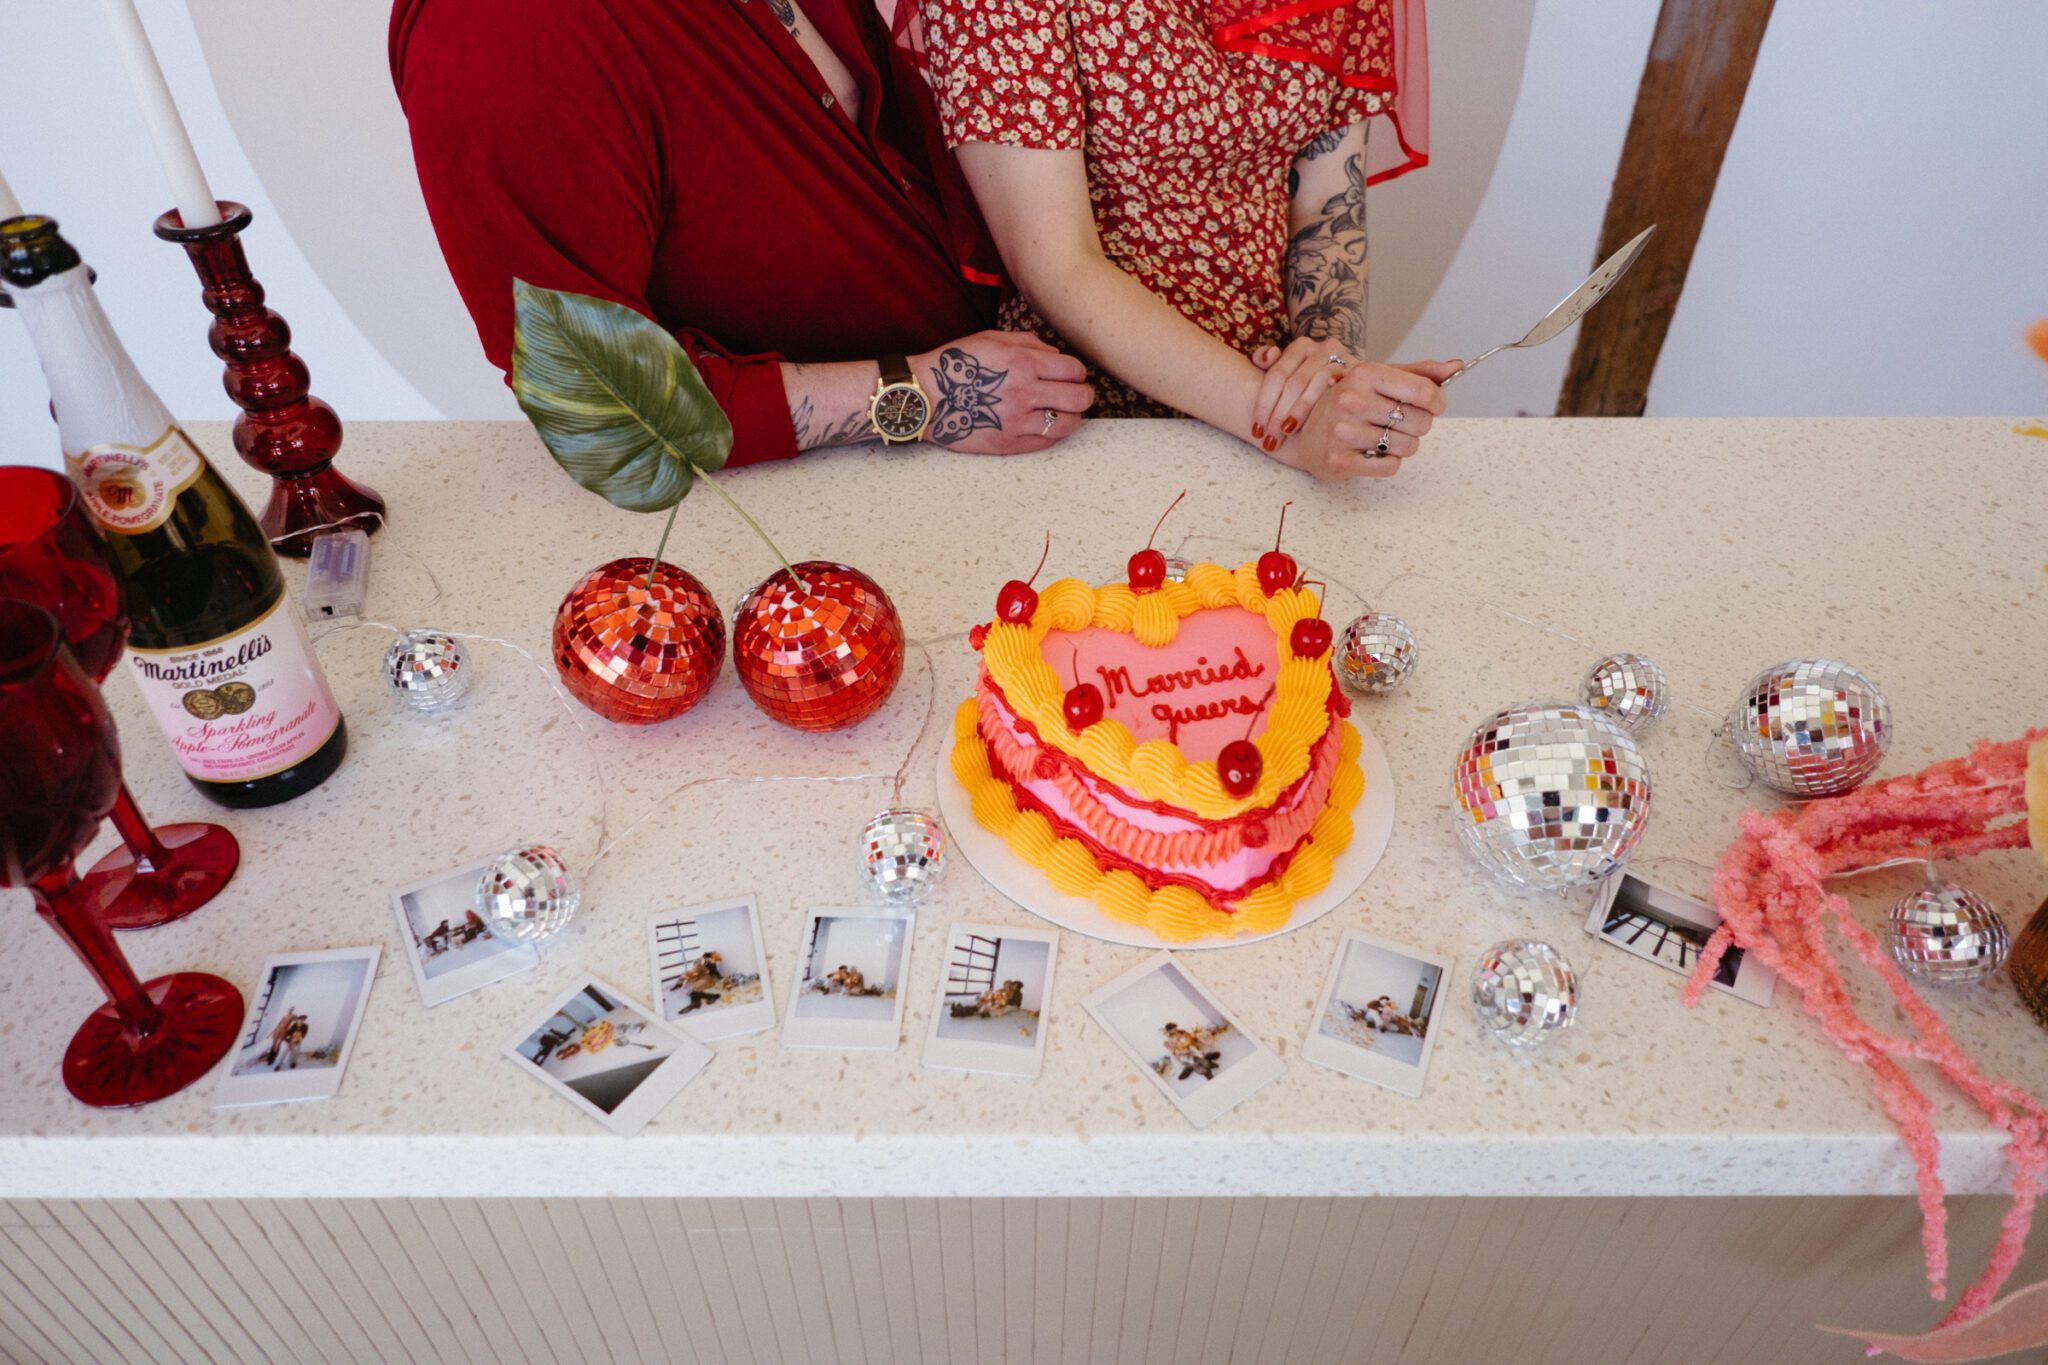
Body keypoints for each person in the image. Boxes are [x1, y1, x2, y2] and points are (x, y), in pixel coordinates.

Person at [390, 0, 1092, 465]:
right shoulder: (494, 37)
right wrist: (921, 397)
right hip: (834, 512)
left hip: (1012, 391)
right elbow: (602, 405)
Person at [909, 0, 1458, 480]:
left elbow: (1325, 205)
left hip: (1277, 406)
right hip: (1090, 425)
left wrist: (1325, 363)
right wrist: (1285, 425)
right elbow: (1054, 262)